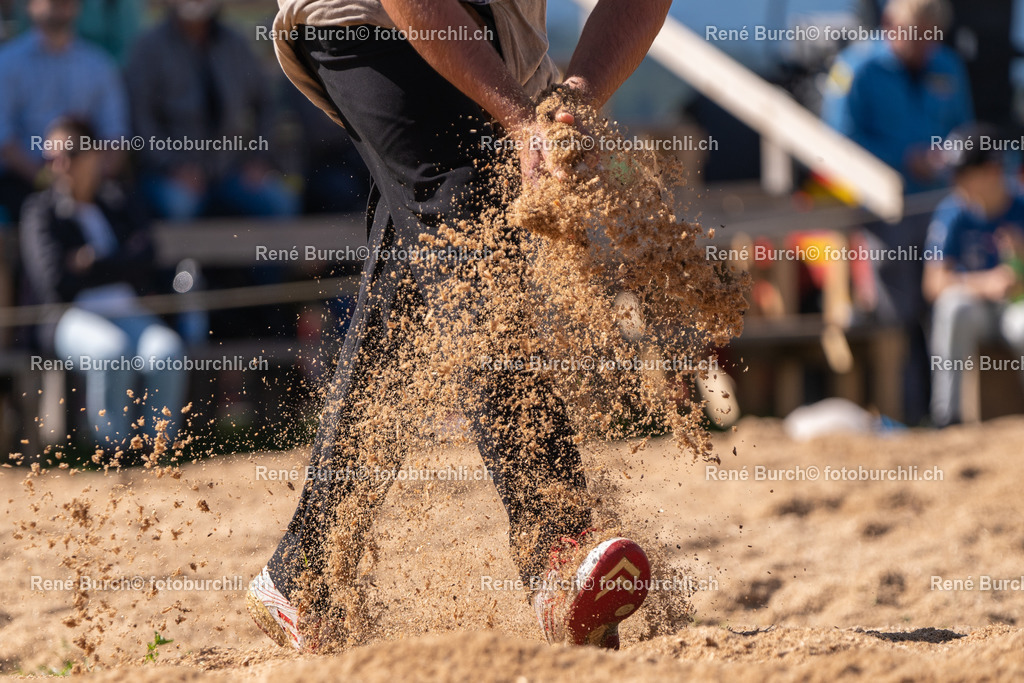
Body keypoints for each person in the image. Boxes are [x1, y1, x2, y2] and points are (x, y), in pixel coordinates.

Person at [245, 0, 670, 653]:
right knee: (467, 227)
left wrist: (575, 99)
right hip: (370, 17)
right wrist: (521, 119)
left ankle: (306, 570)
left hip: (495, 36)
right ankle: (557, 549)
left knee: (413, 286)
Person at [821, 0, 973, 425]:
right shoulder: (856, 69)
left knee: (946, 308)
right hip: (884, 214)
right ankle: (901, 416)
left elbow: (964, 128)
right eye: (916, 36)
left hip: (942, 206)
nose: (924, 47)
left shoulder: (947, 65)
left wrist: (948, 156)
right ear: (890, 25)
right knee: (896, 318)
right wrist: (904, 159)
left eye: (931, 38)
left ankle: (948, 414)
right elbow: (837, 141)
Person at [19, 117, 187, 457]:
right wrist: (118, 263)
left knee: (167, 352)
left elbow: (147, 256)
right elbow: (55, 282)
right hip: (70, 317)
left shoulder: (117, 200)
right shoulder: (40, 211)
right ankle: (114, 456)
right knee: (112, 352)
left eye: (69, 154)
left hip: (128, 311)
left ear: (94, 155)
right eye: (50, 157)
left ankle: (157, 456)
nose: (59, 165)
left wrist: (89, 261)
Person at [125, 0, 298, 221]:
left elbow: (266, 104)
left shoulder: (235, 44)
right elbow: (140, 118)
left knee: (279, 203)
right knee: (180, 206)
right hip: (167, 173)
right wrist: (172, 166)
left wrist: (259, 159)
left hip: (229, 170)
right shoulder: (149, 47)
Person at [924, 124, 1024, 427]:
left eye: (963, 174)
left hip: (1015, 308)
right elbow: (933, 284)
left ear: (992, 171)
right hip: (976, 310)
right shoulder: (952, 211)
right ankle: (947, 419)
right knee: (953, 306)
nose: (956, 183)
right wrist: (987, 283)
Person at [0, 0, 129, 225]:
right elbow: (4, 137)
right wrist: (46, 178)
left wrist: (88, 178)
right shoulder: (7, 64)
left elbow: (115, 134)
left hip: (89, 184)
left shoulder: (99, 65)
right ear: (30, 5)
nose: (60, 4)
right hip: (25, 182)